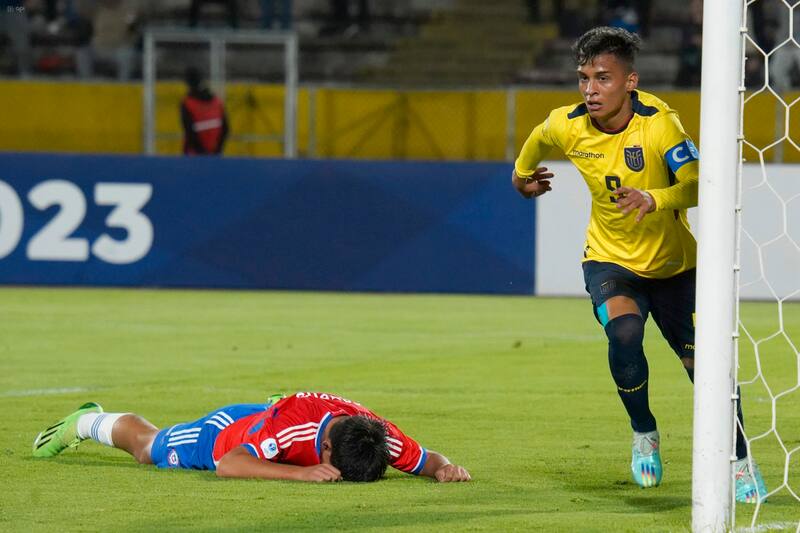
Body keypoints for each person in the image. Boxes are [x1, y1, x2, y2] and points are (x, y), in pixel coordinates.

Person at [512, 26, 767, 503]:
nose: (590, 90)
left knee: (704, 367)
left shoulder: (659, 124)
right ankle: (644, 431)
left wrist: (654, 197)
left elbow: (698, 185)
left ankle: (739, 460)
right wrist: (522, 179)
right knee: (624, 334)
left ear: (630, 81)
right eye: (584, 78)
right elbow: (532, 148)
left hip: (675, 269)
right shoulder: (566, 124)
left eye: (602, 78)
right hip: (609, 262)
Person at [32, 391, 471, 483]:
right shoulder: (295, 428)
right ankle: (86, 421)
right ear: (327, 448)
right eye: (333, 466)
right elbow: (230, 465)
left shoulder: (379, 433)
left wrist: (444, 467)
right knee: (148, 449)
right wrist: (298, 476)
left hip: (272, 419)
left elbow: (424, 458)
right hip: (225, 435)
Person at [180, 67, 229, 156]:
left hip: (194, 156)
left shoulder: (187, 104)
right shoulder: (217, 102)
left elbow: (189, 132)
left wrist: (202, 153)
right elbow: (225, 128)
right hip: (215, 154)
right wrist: (217, 150)